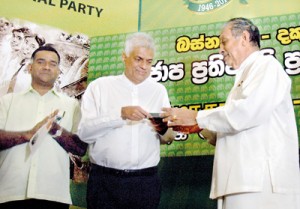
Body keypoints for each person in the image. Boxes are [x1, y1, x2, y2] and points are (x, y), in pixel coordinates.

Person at [161, 17, 300, 209]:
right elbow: (234, 128)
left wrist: (196, 116)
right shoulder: (247, 74)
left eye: (224, 41)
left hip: (260, 185)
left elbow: (245, 114)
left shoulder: (266, 66)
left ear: (244, 37)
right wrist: (197, 128)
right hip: (242, 182)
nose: (220, 50)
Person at [78, 32, 176, 209]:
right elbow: (84, 133)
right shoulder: (100, 87)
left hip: (145, 182)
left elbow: (168, 137)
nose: (144, 66)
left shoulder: (158, 91)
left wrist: (163, 128)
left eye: (149, 61)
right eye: (138, 59)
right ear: (124, 57)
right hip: (104, 181)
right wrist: (119, 115)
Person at [0, 45, 87, 209]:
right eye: (41, 62)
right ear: (30, 67)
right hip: (11, 192)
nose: (47, 67)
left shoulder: (72, 105)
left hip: (53, 194)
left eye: (53, 64)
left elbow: (80, 148)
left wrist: (56, 130)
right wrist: (28, 134)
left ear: (58, 71)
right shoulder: (8, 101)